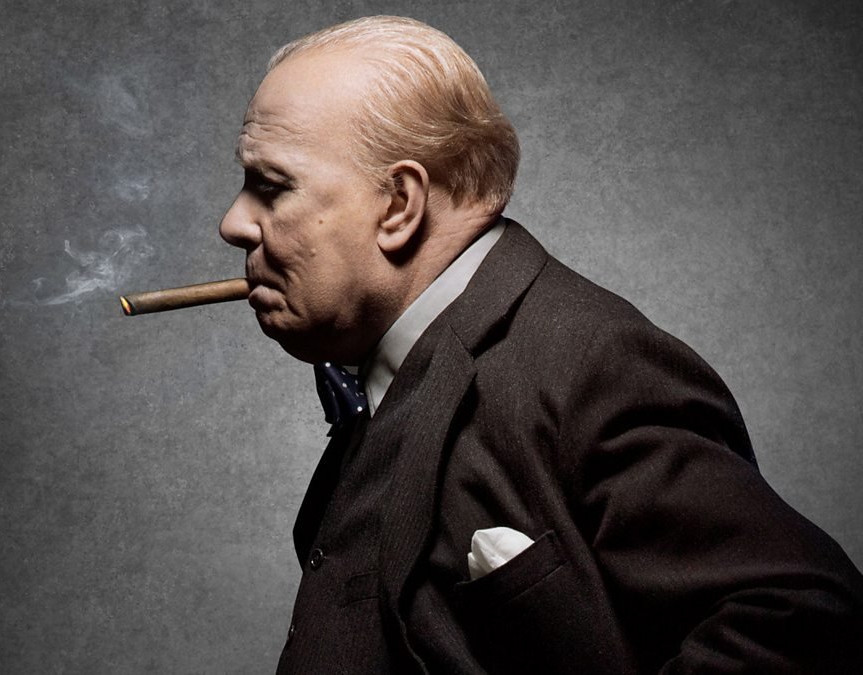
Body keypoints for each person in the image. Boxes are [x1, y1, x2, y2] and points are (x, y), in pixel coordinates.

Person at [217, 15, 863, 674]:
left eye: (271, 186)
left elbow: (803, 617)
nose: (233, 223)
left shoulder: (592, 366)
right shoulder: (388, 362)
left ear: (399, 205)